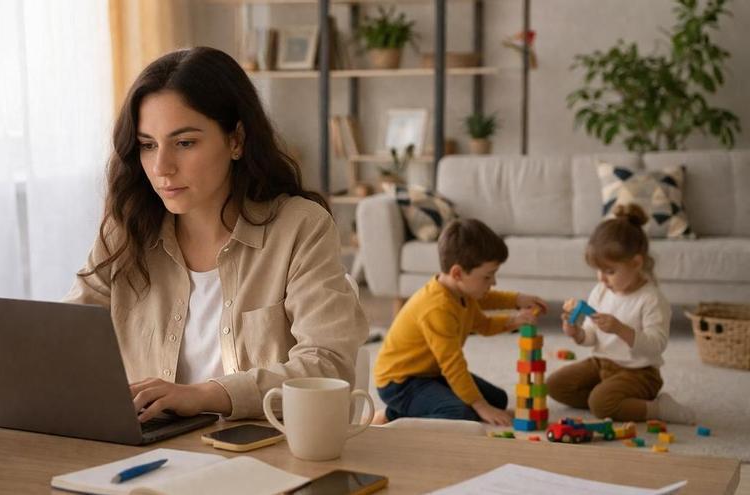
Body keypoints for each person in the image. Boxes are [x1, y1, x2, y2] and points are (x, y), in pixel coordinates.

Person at [63, 47, 368, 421]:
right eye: (147, 145)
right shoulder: (127, 229)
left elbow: (328, 365)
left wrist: (206, 395)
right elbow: (67, 334)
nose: (161, 167)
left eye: (185, 143)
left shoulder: (300, 227)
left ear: (236, 140)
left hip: (264, 456)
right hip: (151, 454)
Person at [373, 218, 548, 426]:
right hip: (400, 383)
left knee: (498, 399)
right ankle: (393, 415)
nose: (493, 282)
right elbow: (453, 366)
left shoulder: (462, 292)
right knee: (460, 413)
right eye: (487, 277)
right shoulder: (437, 308)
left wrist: (517, 305)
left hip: (429, 373)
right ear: (457, 273)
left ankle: (424, 404)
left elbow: (484, 321)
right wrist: (480, 406)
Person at [547, 204, 695, 424]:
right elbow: (591, 335)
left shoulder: (651, 299)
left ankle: (656, 408)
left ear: (636, 263)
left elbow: (656, 345)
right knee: (555, 385)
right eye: (598, 270)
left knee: (600, 404)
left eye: (610, 271)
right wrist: (576, 333)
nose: (602, 278)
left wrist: (620, 329)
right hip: (601, 364)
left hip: (639, 372)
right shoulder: (601, 291)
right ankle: (610, 398)